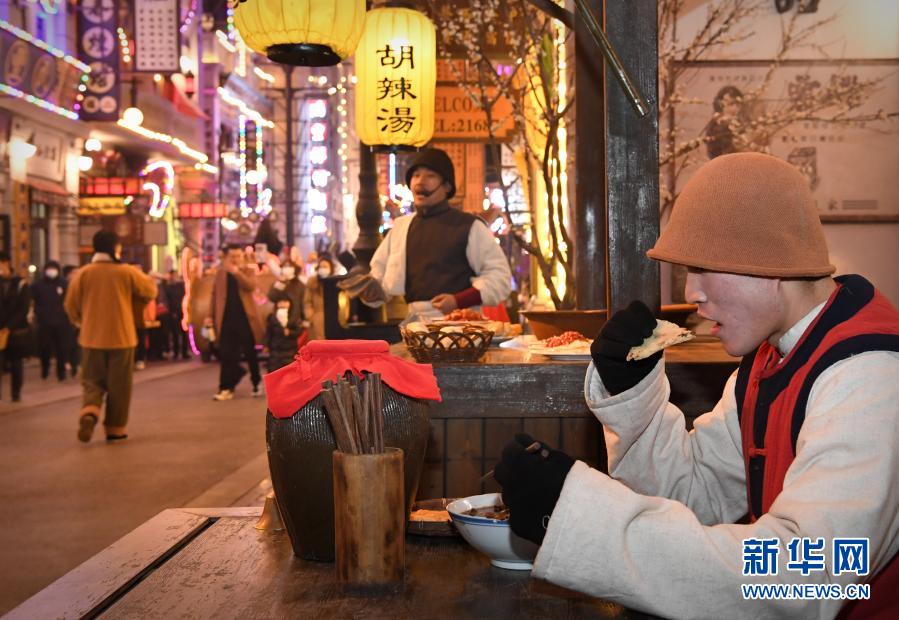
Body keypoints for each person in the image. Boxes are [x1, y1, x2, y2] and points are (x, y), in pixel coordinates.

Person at [493, 153, 899, 619]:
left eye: (703, 268)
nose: (691, 293)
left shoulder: (870, 376)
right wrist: (634, 396)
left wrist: (579, 519)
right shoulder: (771, 356)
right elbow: (696, 498)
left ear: (773, 265)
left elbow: (804, 576)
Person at [364, 147, 512, 320]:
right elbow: (378, 277)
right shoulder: (401, 227)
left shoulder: (469, 226)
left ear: (447, 186)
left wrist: (458, 300)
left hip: (462, 323)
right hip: (414, 326)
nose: (420, 182)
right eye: (416, 175)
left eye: (430, 176)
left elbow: (500, 278)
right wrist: (367, 290)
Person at [64, 231, 157, 442]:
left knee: (91, 381)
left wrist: (82, 321)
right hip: (122, 337)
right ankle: (115, 429)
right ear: (116, 248)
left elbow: (71, 305)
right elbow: (150, 290)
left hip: (90, 338)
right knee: (120, 386)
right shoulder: (126, 272)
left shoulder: (84, 274)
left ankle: (90, 411)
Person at [207, 244, 265, 401]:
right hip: (226, 320)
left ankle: (256, 382)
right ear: (226, 258)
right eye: (231, 257)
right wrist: (209, 316)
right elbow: (215, 296)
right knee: (226, 354)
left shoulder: (248, 270)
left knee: (250, 353)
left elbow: (250, 286)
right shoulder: (220, 274)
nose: (235, 260)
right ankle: (226, 387)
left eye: (238, 256)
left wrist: (237, 272)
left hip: (246, 319)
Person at [30, 260, 72, 382]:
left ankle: (61, 372)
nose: (51, 271)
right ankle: (45, 369)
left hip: (62, 322)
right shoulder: (38, 285)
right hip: (44, 322)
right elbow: (32, 299)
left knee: (61, 348)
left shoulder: (64, 284)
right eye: (49, 268)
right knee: (44, 348)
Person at [0, 252, 31, 402]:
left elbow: (23, 309)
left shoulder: (20, 284)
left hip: (16, 330)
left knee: (16, 362)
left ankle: (15, 393)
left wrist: (9, 327)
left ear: (7, 263)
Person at [263, 298, 303, 373]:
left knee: (290, 372)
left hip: (290, 350)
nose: (282, 304)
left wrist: (290, 332)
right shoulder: (272, 318)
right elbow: (268, 333)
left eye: (285, 301)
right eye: (280, 301)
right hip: (275, 351)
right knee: (274, 371)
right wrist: (265, 345)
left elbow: (299, 331)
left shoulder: (295, 318)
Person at [302, 256, 333, 340]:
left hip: (332, 320)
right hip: (316, 320)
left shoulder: (335, 282)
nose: (323, 269)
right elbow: (307, 302)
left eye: (325, 267)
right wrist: (311, 317)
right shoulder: (313, 282)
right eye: (321, 266)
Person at [267, 259, 305, 328]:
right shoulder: (278, 283)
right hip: (278, 322)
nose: (287, 268)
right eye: (284, 266)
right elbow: (272, 297)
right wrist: (281, 283)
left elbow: (303, 304)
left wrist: (303, 320)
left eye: (289, 266)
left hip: (295, 323)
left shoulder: (300, 285)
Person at [164, 270, 189, 360]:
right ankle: (176, 352)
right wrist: (172, 311)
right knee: (175, 333)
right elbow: (169, 301)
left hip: (183, 311)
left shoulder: (181, 286)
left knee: (184, 332)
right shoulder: (168, 287)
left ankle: (184, 352)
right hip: (174, 312)